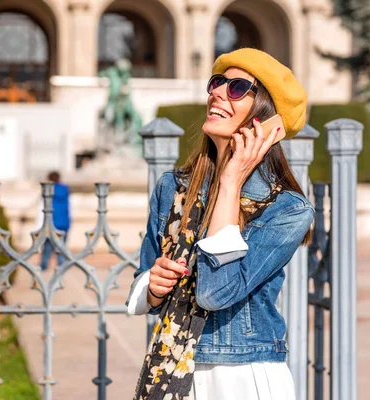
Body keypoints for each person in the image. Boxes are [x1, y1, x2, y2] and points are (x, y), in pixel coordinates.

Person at [126, 48, 315, 400]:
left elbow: (216, 293)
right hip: (172, 367)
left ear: (266, 118)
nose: (216, 92)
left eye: (237, 87)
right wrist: (154, 284)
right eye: (217, 82)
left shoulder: (288, 209)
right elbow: (143, 281)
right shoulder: (173, 187)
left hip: (244, 375)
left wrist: (230, 180)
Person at [40, 171, 71, 271]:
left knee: (47, 248)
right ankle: (61, 268)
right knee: (61, 247)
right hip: (64, 222)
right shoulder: (65, 189)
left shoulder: (47, 190)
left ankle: (43, 267)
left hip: (51, 222)